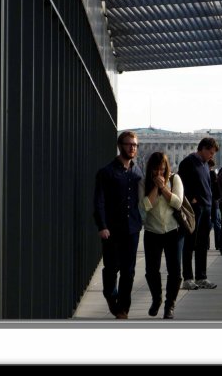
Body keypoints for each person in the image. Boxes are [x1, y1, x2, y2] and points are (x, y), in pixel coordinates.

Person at [93, 131, 144, 319]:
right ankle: (110, 294)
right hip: (112, 229)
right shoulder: (106, 172)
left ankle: (123, 308)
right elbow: (99, 202)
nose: (133, 148)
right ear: (120, 145)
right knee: (112, 267)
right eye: (129, 144)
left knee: (129, 271)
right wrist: (102, 226)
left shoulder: (137, 171)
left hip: (132, 228)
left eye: (135, 145)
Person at [139, 151, 184, 319]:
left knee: (175, 270)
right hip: (152, 231)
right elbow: (144, 207)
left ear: (166, 168)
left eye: (162, 170)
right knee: (151, 270)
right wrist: (156, 188)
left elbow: (177, 203)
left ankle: (169, 304)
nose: (158, 173)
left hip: (173, 230)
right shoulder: (144, 183)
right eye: (155, 170)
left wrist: (164, 187)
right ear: (150, 169)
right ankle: (156, 298)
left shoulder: (174, 179)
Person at [178, 137, 219, 290]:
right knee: (189, 243)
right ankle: (187, 278)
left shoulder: (205, 164)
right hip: (194, 209)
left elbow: (208, 185)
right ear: (202, 148)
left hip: (206, 207)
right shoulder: (188, 162)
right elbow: (180, 184)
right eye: (210, 152)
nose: (212, 155)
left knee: (202, 244)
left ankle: (201, 277)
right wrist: (191, 199)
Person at [209, 158, 222, 251]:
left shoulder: (207, 174)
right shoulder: (213, 174)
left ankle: (206, 245)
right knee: (216, 223)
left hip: (208, 202)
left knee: (206, 224)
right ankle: (218, 244)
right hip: (214, 202)